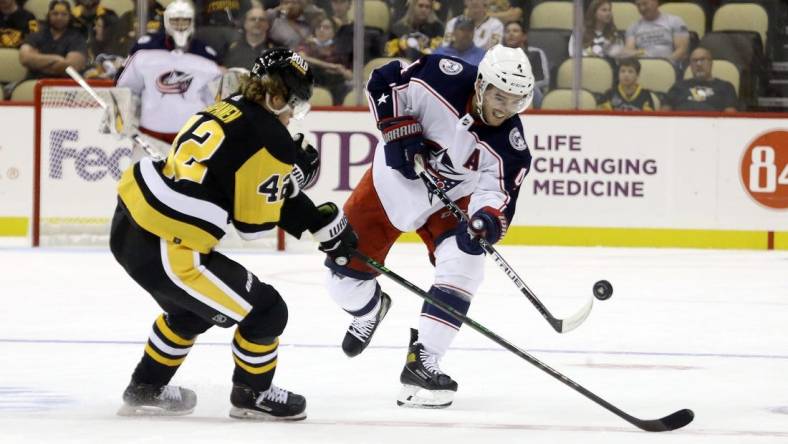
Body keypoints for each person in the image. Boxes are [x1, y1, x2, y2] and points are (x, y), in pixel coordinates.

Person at [110, 47, 357, 420]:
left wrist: (302, 207)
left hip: (130, 231)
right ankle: (252, 394)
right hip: (172, 248)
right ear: (276, 98)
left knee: (190, 312)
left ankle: (146, 388)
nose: (293, 116)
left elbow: (234, 181)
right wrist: (292, 178)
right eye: (294, 106)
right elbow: (251, 225)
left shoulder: (226, 107)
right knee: (267, 311)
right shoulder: (271, 138)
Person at [324, 44, 535, 408]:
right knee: (341, 278)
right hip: (392, 186)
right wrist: (397, 129)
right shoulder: (441, 76)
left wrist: (486, 221)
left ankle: (423, 362)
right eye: (500, 96)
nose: (505, 108)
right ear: (482, 85)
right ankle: (369, 309)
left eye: (516, 101)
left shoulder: (511, 145)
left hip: (449, 203)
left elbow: (498, 194)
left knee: (466, 266)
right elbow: (382, 81)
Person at [116, 0, 221, 144]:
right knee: (145, 165)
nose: (180, 24)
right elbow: (126, 87)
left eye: (185, 20)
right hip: (150, 130)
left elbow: (214, 100)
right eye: (175, 20)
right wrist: (126, 118)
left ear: (192, 22)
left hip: (192, 131)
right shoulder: (145, 49)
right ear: (166, 21)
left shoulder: (206, 55)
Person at [18, 0, 87, 79]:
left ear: (70, 17)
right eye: (55, 13)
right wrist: (57, 59)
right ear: (48, 15)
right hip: (34, 82)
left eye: (64, 14)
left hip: (63, 85)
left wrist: (36, 61)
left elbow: (72, 66)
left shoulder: (77, 38)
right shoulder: (36, 35)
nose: (59, 17)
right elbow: (25, 58)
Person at [662, 47, 737, 112]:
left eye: (703, 59)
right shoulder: (678, 86)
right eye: (694, 60)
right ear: (690, 65)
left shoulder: (726, 87)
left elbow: (730, 118)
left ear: (711, 63)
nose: (698, 64)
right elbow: (663, 116)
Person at [624, 0, 689, 66]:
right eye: (638, 5)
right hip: (643, 67)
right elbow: (629, 52)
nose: (642, 8)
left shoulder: (674, 21)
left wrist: (663, 64)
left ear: (656, 2)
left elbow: (682, 50)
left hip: (669, 67)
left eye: (645, 3)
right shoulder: (633, 27)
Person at [503, 21, 549, 95]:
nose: (510, 34)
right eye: (507, 31)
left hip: (530, 93)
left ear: (524, 36)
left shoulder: (535, 53)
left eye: (515, 31)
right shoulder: (500, 55)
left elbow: (543, 80)